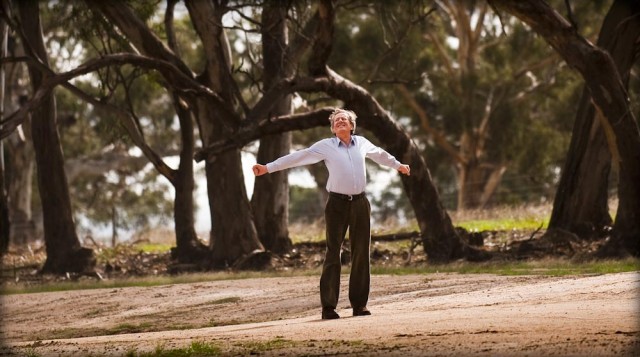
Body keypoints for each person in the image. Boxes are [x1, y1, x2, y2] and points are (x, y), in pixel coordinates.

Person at [252, 108, 410, 320]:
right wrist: (268, 168)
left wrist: (398, 165)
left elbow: (380, 154)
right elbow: (299, 157)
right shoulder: (325, 146)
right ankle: (328, 307)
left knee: (361, 252)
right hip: (336, 204)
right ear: (333, 128)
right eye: (336, 121)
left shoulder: (362, 143)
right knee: (333, 252)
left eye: (344, 119)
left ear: (351, 125)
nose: (340, 122)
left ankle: (359, 305)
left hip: (361, 203)